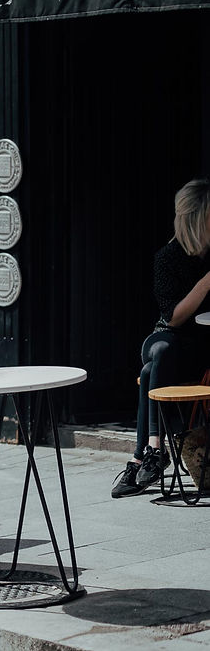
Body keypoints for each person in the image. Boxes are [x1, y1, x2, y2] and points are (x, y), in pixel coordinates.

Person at [112, 178, 210, 497]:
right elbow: (173, 317)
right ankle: (155, 448)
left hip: (202, 347)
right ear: (198, 220)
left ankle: (144, 456)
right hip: (168, 339)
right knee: (162, 351)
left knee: (148, 371)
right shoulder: (167, 259)